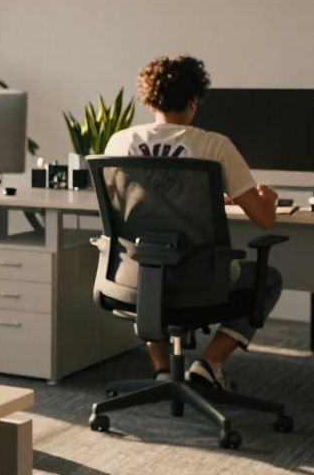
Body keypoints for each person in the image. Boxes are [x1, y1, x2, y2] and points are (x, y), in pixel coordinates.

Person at [104, 54, 282, 391]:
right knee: (268, 278)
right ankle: (208, 363)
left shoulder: (120, 142)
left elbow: (127, 205)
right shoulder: (214, 144)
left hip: (136, 273)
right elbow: (263, 219)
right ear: (193, 100)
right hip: (200, 279)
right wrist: (268, 197)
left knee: (148, 268)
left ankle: (160, 370)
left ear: (149, 99)